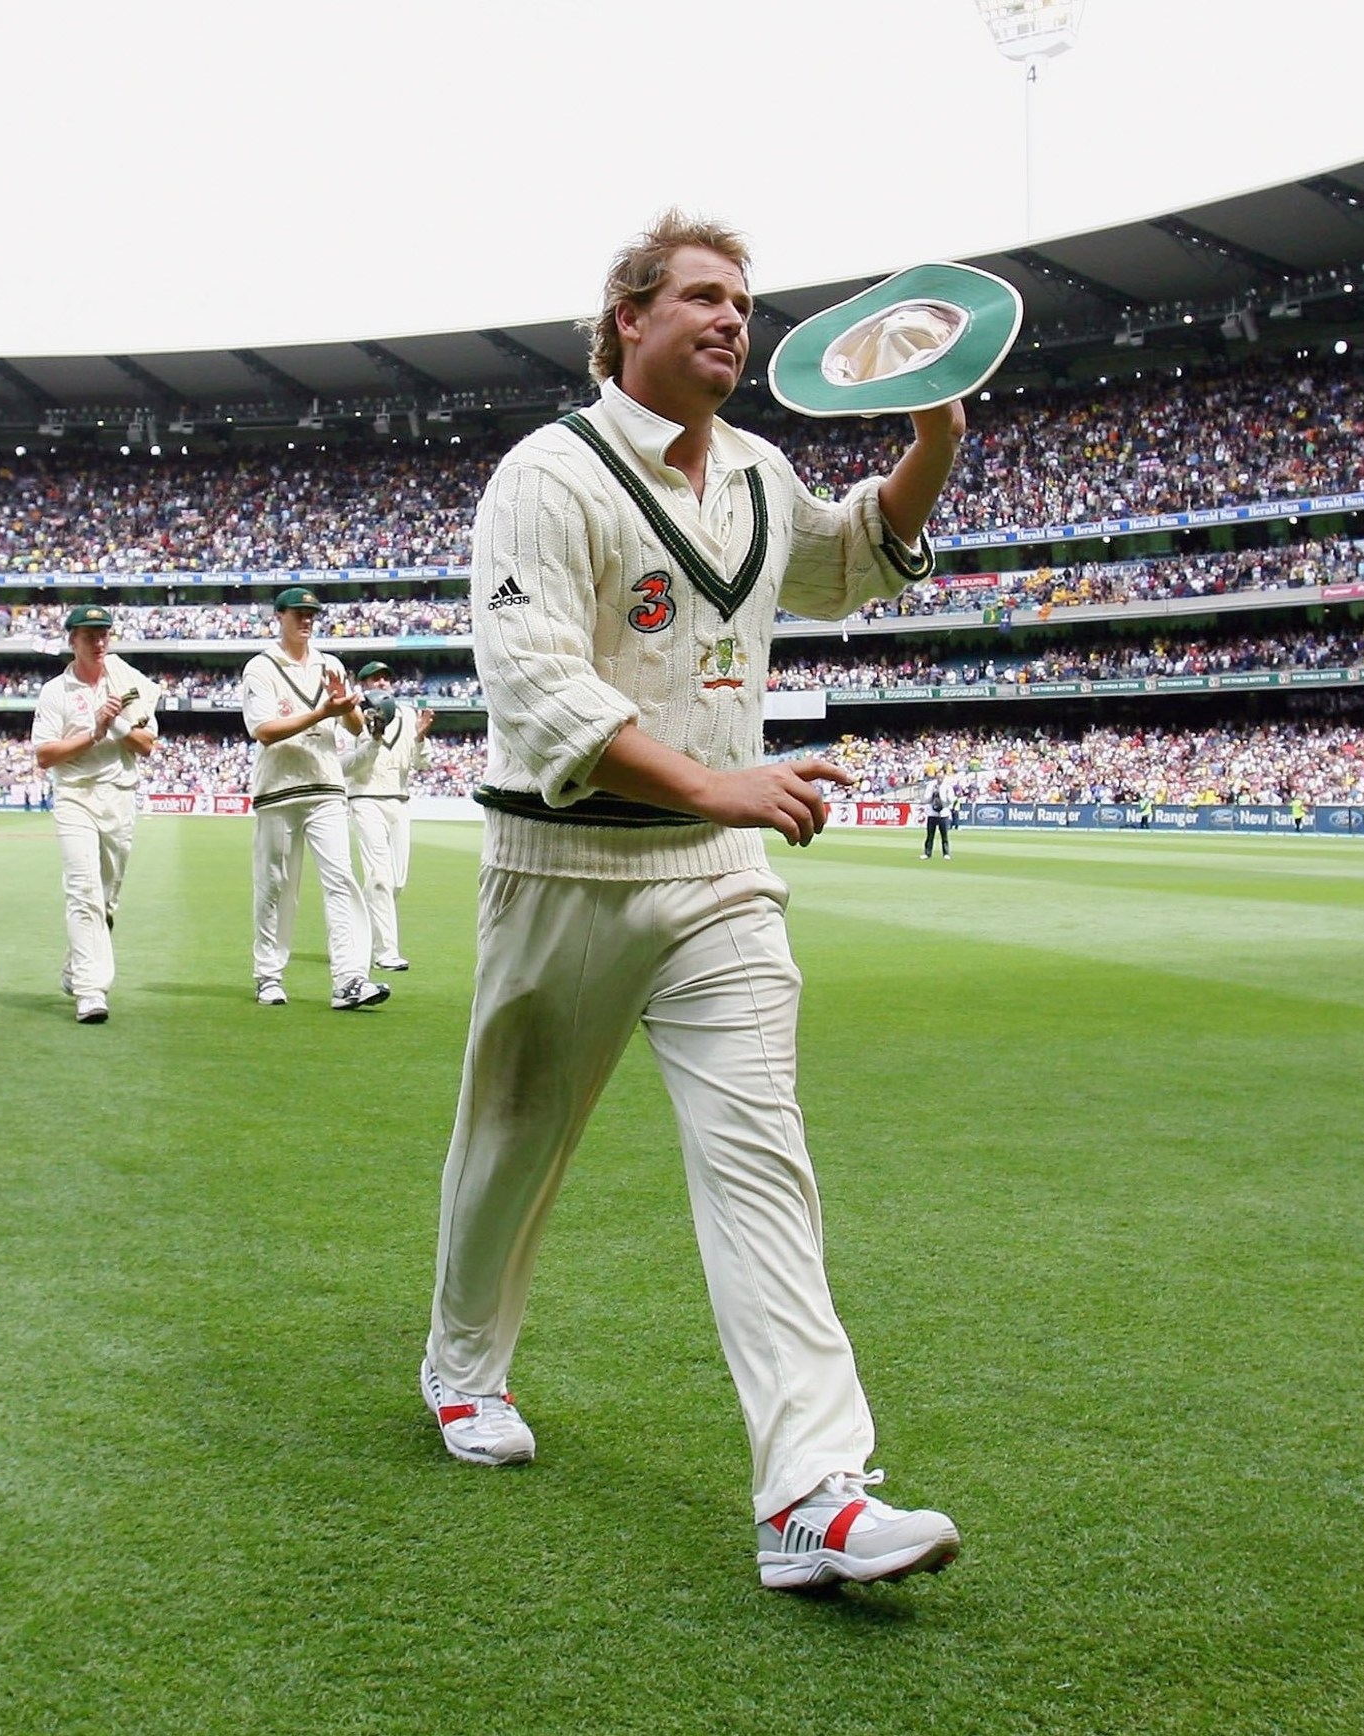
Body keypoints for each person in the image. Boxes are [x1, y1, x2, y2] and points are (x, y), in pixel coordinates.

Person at [421, 214, 965, 1591]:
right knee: (512, 1144)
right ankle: (461, 1363)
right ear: (627, 317)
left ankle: (813, 1490)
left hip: (719, 888)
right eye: (706, 297)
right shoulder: (546, 477)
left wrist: (933, 443)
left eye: (747, 302)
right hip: (565, 865)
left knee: (761, 1159)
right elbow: (537, 687)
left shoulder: (766, 475)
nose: (735, 318)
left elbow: (846, 562)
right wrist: (716, 786)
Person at [240, 586, 389, 1010]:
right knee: (275, 885)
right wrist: (322, 712)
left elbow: (357, 728)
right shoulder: (261, 667)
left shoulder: (331, 663)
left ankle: (350, 979)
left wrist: (343, 705)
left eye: (311, 615)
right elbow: (264, 731)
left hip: (325, 787)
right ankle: (268, 975)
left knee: (341, 879)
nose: (306, 621)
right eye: (297, 614)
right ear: (280, 617)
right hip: (278, 790)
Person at [31, 603, 161, 1025]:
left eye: (104, 633)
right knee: (83, 890)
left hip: (118, 795)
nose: (99, 641)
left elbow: (145, 745)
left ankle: (75, 967)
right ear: (72, 640)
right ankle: (92, 989)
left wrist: (116, 724)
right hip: (74, 796)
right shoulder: (56, 691)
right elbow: (45, 755)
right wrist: (94, 733)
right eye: (89, 635)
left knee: (106, 899)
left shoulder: (127, 681)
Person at [340, 660, 433, 972]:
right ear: (363, 685)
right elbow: (344, 767)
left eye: (385, 679)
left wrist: (420, 739)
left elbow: (422, 765)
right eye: (373, 679)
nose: (381, 683)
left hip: (399, 801)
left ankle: (359, 935)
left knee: (396, 882)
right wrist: (374, 740)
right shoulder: (349, 716)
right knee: (379, 877)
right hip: (365, 799)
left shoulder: (408, 715)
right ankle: (386, 952)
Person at [921, 770, 954, 859]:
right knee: (930, 835)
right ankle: (927, 853)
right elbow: (926, 799)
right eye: (938, 777)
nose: (940, 779)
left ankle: (946, 853)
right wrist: (932, 795)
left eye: (941, 777)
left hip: (943, 813)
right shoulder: (931, 785)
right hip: (932, 813)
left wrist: (943, 798)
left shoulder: (947, 786)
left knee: (944, 835)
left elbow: (951, 800)